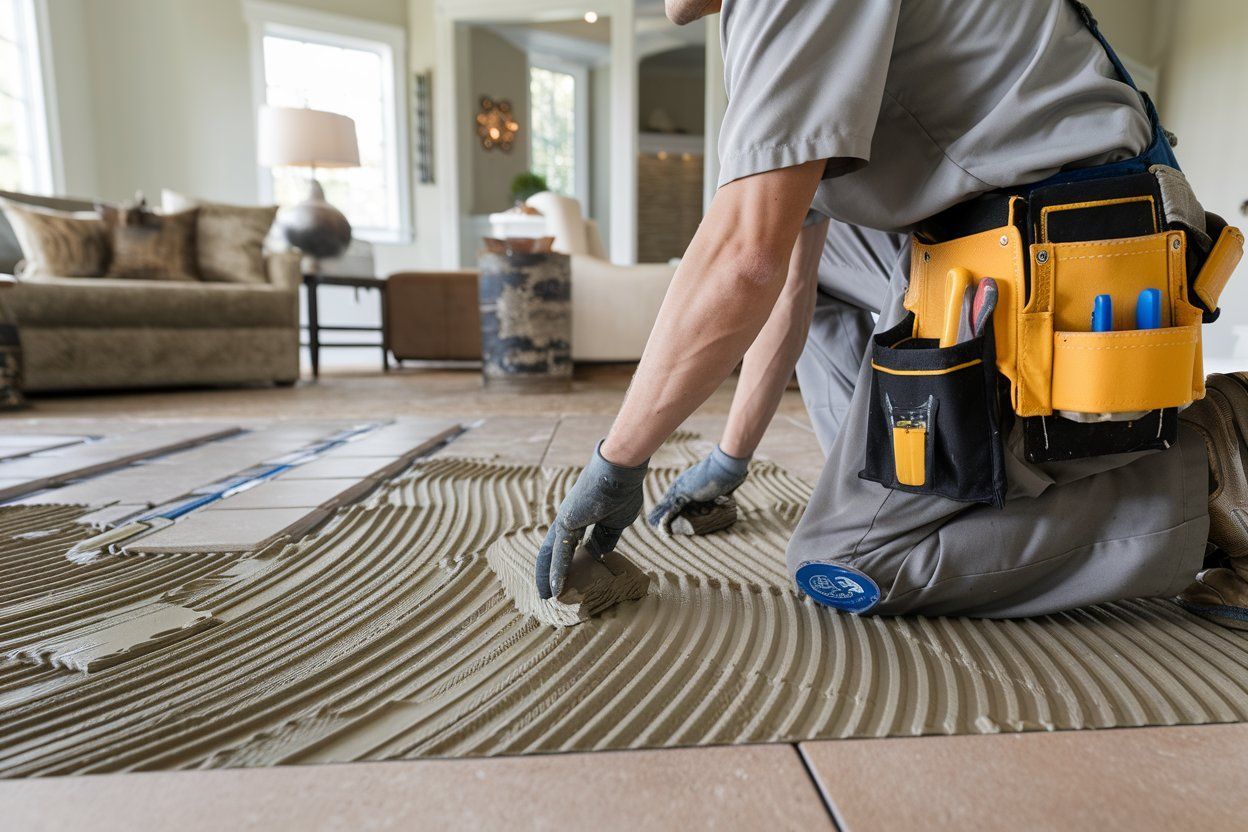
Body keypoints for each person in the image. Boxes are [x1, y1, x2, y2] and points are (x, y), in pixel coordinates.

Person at [533, 0, 1248, 629]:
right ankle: (915, 482)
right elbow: (786, 279)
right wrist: (730, 458)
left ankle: (1214, 464)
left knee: (847, 560)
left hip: (1072, 265)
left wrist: (618, 462)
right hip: (1013, 242)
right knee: (813, 233)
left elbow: (741, 261)